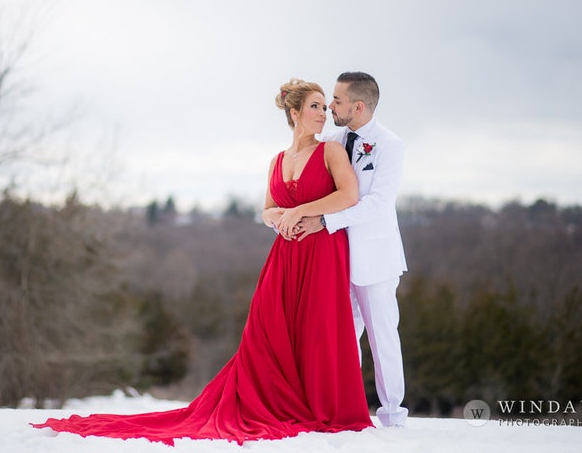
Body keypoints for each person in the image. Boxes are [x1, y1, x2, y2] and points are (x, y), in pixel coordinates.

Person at [31, 79, 373, 444]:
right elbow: (267, 210)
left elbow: (349, 195)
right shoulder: (277, 160)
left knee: (317, 332)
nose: (323, 114)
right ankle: (277, 402)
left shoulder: (331, 153)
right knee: (270, 335)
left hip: (321, 254)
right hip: (284, 258)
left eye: (325, 107)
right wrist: (279, 218)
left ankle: (318, 405)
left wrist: (302, 211)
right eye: (315, 107)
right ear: (294, 113)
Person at [294, 71, 409, 427]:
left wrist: (325, 221)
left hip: (375, 259)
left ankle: (392, 415)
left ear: (358, 106)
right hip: (336, 259)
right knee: (341, 340)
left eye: (337, 100)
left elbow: (376, 203)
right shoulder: (332, 138)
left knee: (382, 336)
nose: (330, 105)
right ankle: (342, 409)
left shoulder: (390, 145)